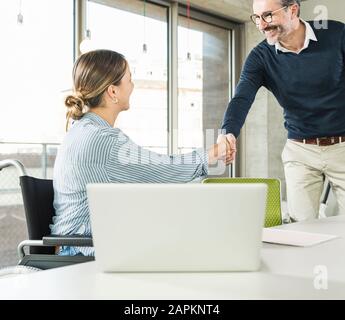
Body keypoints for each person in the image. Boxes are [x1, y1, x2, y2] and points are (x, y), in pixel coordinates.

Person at [51, 49, 231, 256]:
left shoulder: (82, 130)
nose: (133, 86)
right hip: (82, 252)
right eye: (129, 79)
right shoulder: (101, 140)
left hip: (78, 245)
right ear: (113, 91)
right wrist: (211, 155)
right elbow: (162, 170)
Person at [219, 0, 345, 221]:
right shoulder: (260, 57)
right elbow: (242, 98)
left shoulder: (336, 34)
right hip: (301, 151)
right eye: (256, 17)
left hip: (343, 146)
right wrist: (227, 131)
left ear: (293, 10)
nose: (261, 24)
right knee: (302, 228)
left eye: (268, 15)